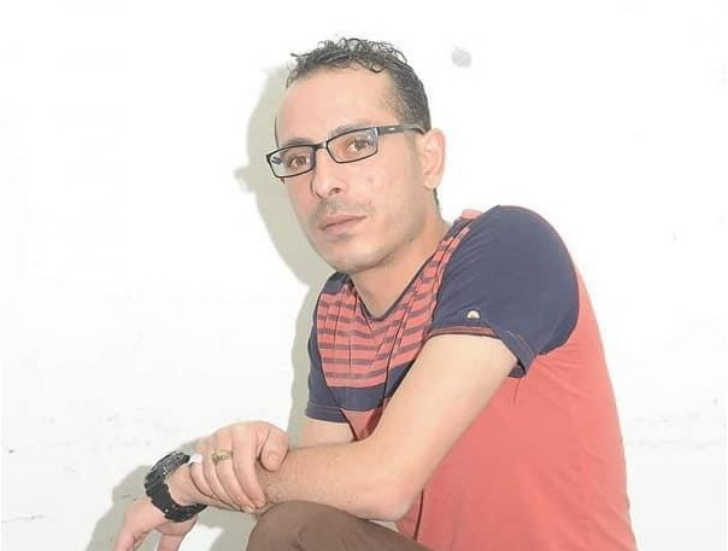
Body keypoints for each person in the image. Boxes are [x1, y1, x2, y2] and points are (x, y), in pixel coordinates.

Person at [113, 38, 638, 551]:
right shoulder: (337, 311)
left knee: (290, 529)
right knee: (295, 524)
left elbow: (384, 482)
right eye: (298, 158)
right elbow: (318, 498)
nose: (323, 182)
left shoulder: (508, 247)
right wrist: (249, 456)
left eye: (357, 145)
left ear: (429, 157)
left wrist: (191, 483)